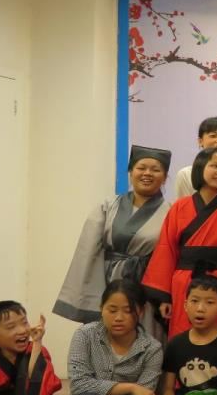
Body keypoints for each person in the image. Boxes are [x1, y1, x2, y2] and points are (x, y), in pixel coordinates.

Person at [143, 147, 217, 344]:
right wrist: (164, 296)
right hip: (185, 285)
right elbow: (166, 250)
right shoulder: (179, 207)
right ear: (200, 168)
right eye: (214, 166)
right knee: (184, 339)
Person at [56, 145, 174, 341]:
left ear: (165, 177)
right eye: (141, 168)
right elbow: (88, 252)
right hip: (109, 282)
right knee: (107, 339)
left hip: (148, 289)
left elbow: (172, 257)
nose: (147, 173)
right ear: (130, 172)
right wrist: (92, 295)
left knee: (147, 340)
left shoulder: (172, 211)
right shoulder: (107, 207)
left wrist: (165, 297)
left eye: (155, 169)